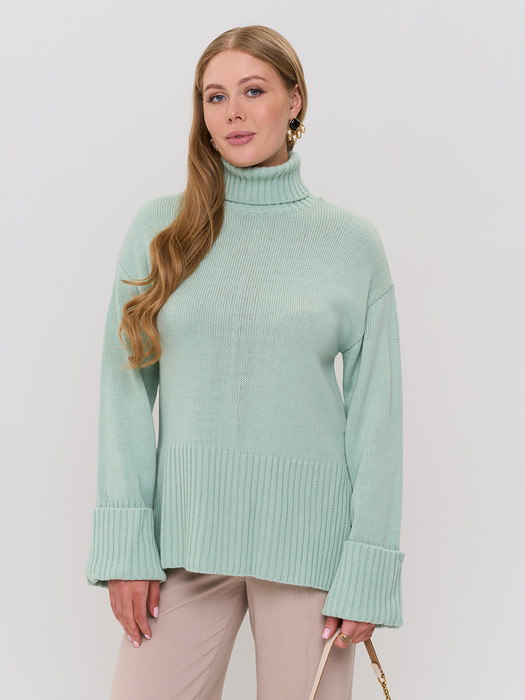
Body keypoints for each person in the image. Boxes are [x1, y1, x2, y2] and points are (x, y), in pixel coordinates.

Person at [85, 24, 405, 700]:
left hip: (310, 550)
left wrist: (368, 568)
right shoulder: (161, 230)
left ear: (295, 101)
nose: (232, 112)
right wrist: (125, 544)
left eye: (253, 91)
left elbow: (376, 419)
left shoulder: (351, 244)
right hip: (183, 541)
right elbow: (123, 391)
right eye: (214, 96)